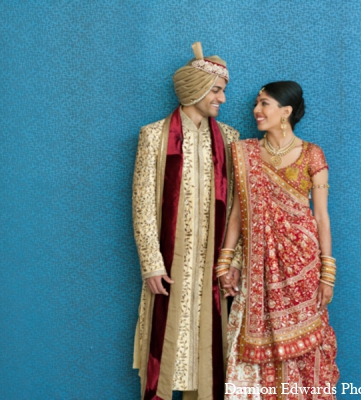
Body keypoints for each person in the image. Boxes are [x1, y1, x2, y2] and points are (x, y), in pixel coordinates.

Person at [132, 42, 242, 400]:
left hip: (211, 269)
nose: (222, 99)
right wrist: (151, 264)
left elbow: (240, 208)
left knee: (208, 356)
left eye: (223, 91)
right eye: (216, 90)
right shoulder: (153, 136)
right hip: (169, 267)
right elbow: (143, 204)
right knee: (166, 348)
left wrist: (231, 263)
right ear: (195, 89)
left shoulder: (229, 139)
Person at [220, 81, 340, 399]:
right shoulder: (245, 153)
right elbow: (236, 212)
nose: (256, 111)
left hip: (302, 266)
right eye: (257, 104)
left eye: (265, 104)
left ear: (285, 111)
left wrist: (327, 273)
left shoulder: (313, 155)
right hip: (257, 268)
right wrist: (225, 261)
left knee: (304, 350)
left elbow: (322, 218)